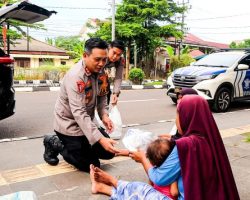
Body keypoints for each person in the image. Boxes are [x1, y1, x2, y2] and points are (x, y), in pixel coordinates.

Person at [90, 95, 240, 200]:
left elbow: (158, 178)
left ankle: (108, 186)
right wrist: (126, 152)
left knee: (142, 191)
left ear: (188, 116)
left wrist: (143, 158)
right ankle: (109, 184)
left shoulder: (187, 145)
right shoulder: (211, 139)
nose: (176, 119)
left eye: (178, 114)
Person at [43, 38, 120, 173]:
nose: (101, 64)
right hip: (69, 125)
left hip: (86, 123)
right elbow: (79, 113)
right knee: (91, 165)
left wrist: (104, 116)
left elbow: (102, 96)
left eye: (104, 59)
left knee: (110, 152)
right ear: (85, 56)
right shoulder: (76, 77)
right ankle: (55, 142)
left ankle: (82, 147)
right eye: (97, 59)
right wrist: (100, 139)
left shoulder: (101, 72)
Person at [104, 40, 125, 105]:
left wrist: (115, 93)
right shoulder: (102, 54)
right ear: (109, 48)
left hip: (103, 75)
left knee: (107, 91)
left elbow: (118, 77)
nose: (115, 56)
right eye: (114, 53)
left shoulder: (120, 60)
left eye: (118, 55)